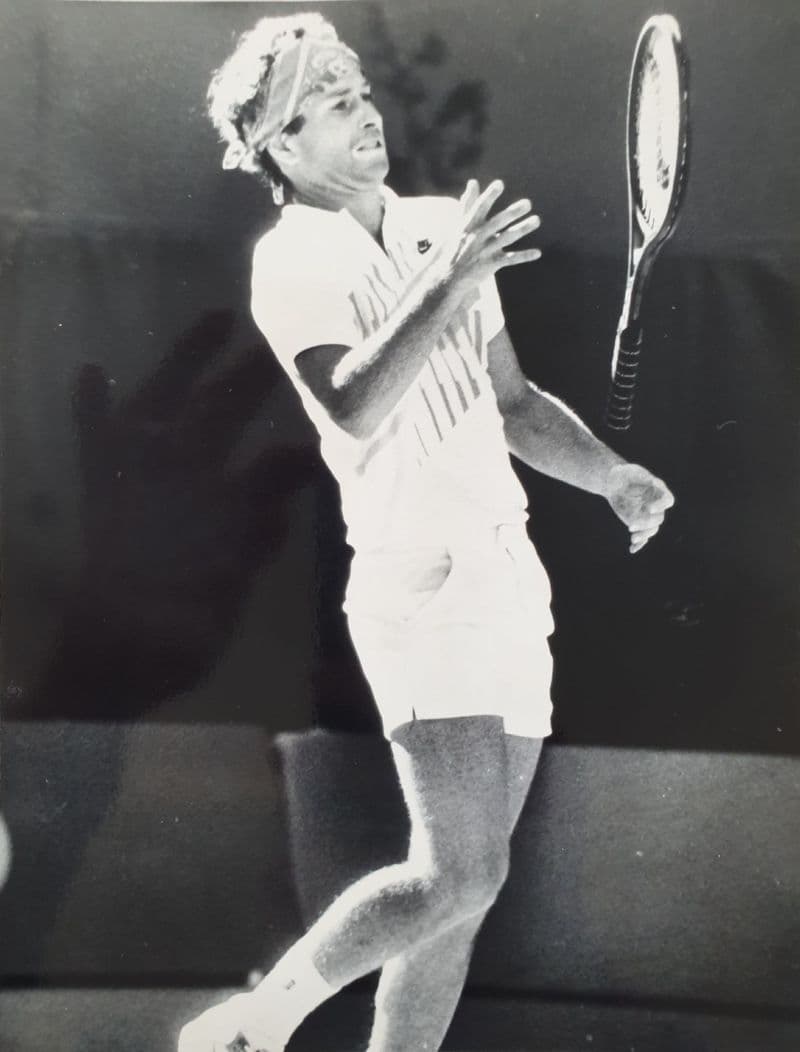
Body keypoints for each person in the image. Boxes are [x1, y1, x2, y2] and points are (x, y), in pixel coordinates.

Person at [180, 12, 674, 1052]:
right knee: (460, 869)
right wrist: (447, 277)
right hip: (418, 583)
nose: (361, 112)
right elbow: (352, 403)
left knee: (463, 894)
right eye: (329, 102)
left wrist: (610, 477)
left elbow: (515, 400)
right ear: (279, 144)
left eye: (360, 91)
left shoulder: (434, 223)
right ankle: (257, 1019)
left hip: (506, 569)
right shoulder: (292, 260)